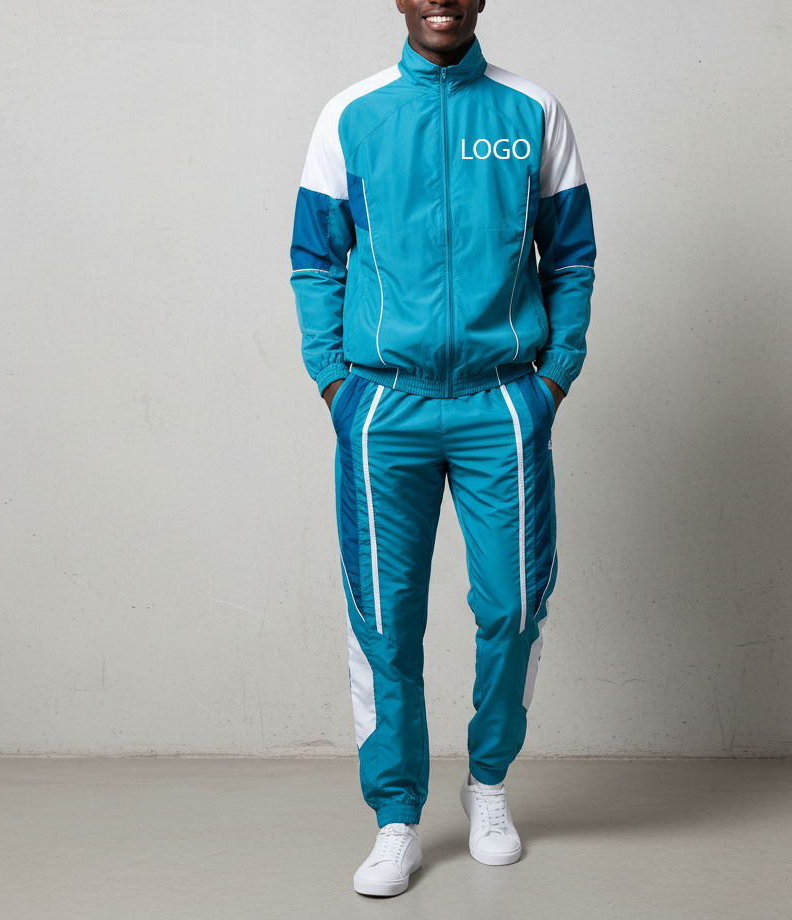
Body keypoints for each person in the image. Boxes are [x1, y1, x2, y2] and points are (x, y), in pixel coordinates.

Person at [289, 0, 595, 897]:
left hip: (502, 404)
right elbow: (315, 258)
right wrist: (337, 385)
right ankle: (396, 820)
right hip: (385, 407)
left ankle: (488, 785)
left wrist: (551, 380)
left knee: (513, 605)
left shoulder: (531, 111)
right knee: (385, 618)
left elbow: (571, 255)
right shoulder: (351, 114)